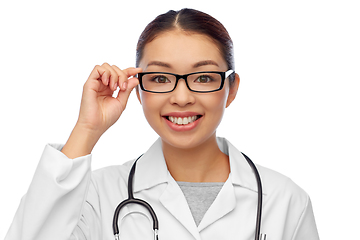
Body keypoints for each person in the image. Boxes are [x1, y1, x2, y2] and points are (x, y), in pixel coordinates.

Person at [5, 8, 319, 240]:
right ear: (138, 89)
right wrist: (87, 129)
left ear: (231, 88)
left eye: (203, 77)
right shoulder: (96, 195)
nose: (181, 97)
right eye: (159, 78)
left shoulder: (285, 201)